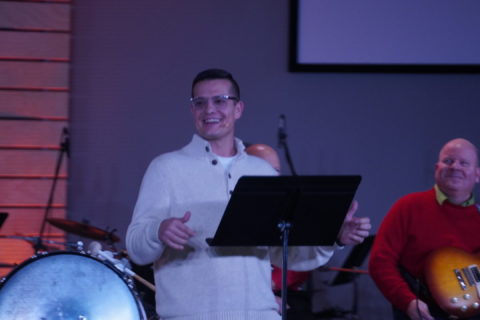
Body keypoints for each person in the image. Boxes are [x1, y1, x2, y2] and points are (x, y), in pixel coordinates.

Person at [126, 68, 369, 320]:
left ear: (238, 109)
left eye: (220, 101)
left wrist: (333, 236)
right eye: (200, 102)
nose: (209, 110)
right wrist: (158, 230)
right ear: (192, 110)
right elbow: (136, 247)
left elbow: (283, 252)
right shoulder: (166, 168)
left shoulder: (261, 171)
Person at [245, 143, 371, 315]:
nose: (271, 176)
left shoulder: (281, 212)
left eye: (275, 170)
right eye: (261, 168)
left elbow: (294, 257)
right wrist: (263, 296)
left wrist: (336, 236)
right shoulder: (218, 209)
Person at [369, 138, 480, 320]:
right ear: (437, 168)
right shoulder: (408, 206)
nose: (455, 167)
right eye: (448, 161)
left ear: (477, 175)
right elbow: (380, 262)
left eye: (464, 163)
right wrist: (408, 302)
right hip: (422, 313)